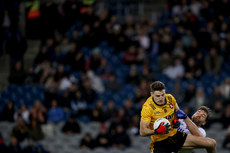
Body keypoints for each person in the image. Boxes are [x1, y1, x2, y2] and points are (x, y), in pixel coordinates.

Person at [140, 81, 216, 153]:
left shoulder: (170, 98)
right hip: (161, 141)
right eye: (157, 96)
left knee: (211, 143)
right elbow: (142, 132)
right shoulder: (147, 108)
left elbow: (177, 112)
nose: (161, 98)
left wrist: (175, 121)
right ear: (151, 94)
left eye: (163, 95)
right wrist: (156, 131)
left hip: (174, 135)